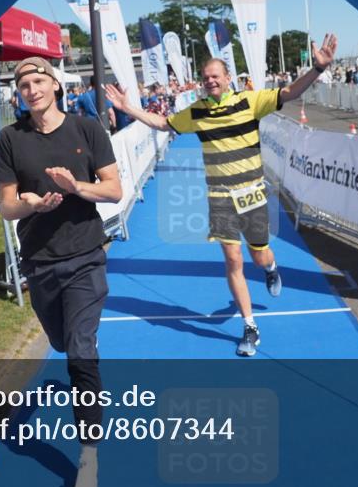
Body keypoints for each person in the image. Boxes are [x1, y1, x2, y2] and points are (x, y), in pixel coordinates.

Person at [104, 34, 338, 357]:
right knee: (233, 259)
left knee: (259, 257)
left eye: (216, 76)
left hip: (253, 194)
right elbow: (162, 123)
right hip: (220, 197)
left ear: (228, 78)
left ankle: (271, 268)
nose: (210, 81)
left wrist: (316, 68)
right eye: (205, 78)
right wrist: (128, 107)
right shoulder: (196, 112)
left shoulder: (251, 100)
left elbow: (290, 91)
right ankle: (250, 326)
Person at [0, 57, 121, 487]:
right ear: (19, 94)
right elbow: (6, 207)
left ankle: (88, 460)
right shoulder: (10, 139)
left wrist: (77, 187)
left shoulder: (87, 130)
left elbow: (114, 190)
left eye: (39, 80)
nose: (32, 89)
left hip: (86, 256)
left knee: (81, 350)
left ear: (56, 85)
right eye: (24, 84)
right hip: (41, 263)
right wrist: (29, 204)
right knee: (63, 342)